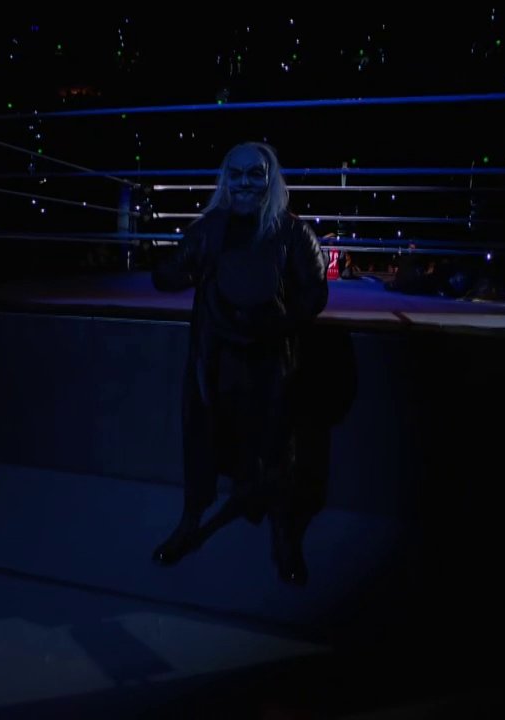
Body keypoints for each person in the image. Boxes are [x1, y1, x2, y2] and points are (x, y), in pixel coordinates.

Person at [148, 142, 329, 585]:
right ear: (225, 180)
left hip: (271, 358)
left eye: (254, 174)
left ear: (270, 180)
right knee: (202, 442)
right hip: (216, 355)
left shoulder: (292, 232)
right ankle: (190, 522)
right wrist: (189, 262)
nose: (244, 183)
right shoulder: (209, 228)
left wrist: (281, 321)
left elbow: (315, 292)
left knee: (278, 449)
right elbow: (165, 275)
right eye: (236, 173)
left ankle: (284, 536)